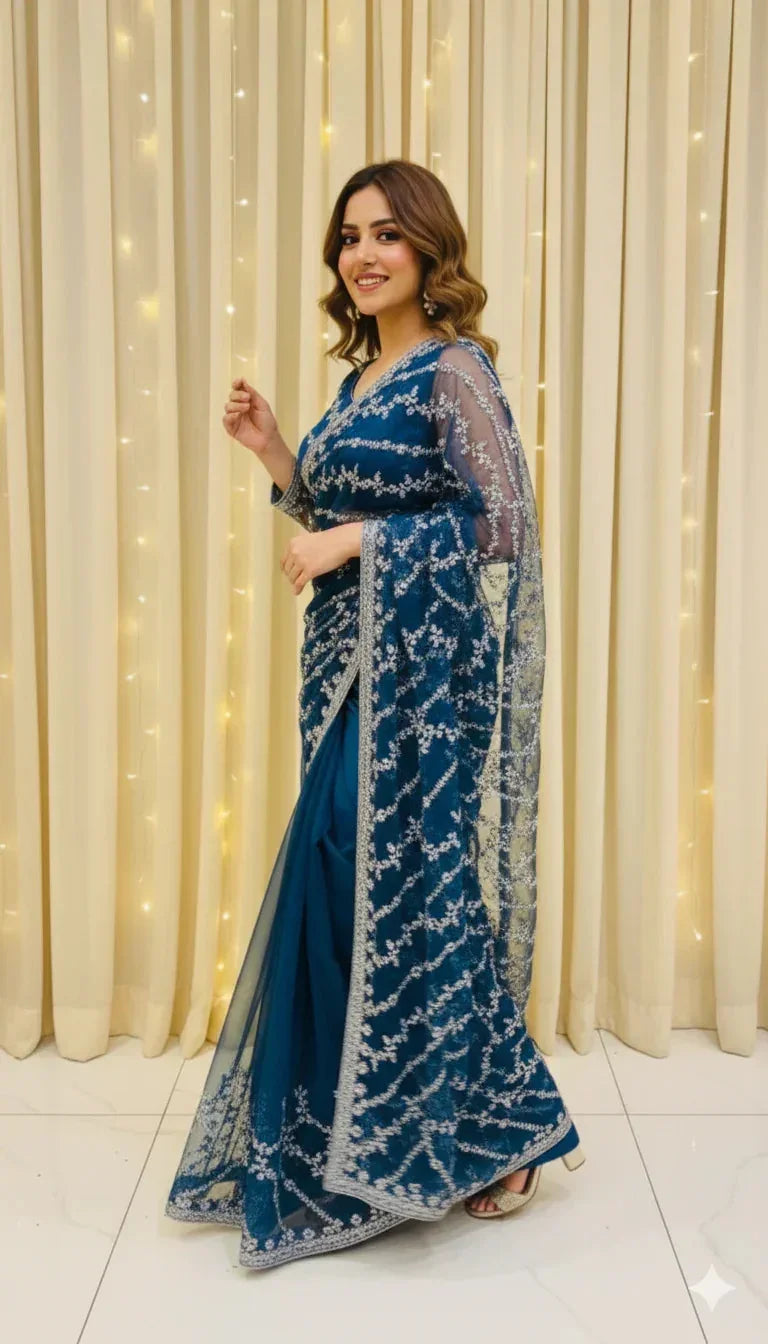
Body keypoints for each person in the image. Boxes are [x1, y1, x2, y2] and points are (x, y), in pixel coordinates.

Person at [164, 158, 585, 1270]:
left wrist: (357, 541)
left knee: (412, 881)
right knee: (354, 886)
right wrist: (276, 455)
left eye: (388, 234)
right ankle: (371, 1119)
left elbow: (497, 527)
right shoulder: (358, 386)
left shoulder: (455, 373)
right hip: (344, 667)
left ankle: (503, 1130)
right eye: (349, 236)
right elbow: (331, 505)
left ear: (428, 250)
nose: (363, 254)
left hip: (424, 687)